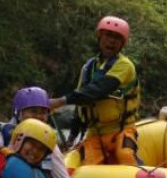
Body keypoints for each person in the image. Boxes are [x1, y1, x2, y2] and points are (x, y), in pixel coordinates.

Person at [49, 15, 141, 165]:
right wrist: (72, 136)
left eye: (117, 38)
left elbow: (97, 90)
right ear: (99, 37)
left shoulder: (125, 65)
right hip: (95, 133)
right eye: (108, 35)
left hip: (122, 129)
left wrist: (59, 101)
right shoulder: (88, 67)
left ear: (122, 43)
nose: (111, 41)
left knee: (125, 154)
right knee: (88, 165)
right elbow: (81, 105)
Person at [0, 86, 91, 178]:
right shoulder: (0, 139)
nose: (38, 117)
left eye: (43, 112)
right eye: (33, 111)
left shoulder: (49, 144)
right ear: (19, 113)